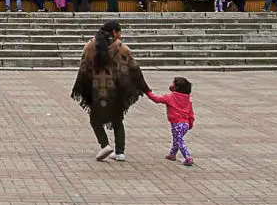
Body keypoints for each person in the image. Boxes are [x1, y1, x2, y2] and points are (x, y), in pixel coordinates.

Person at [72, 20, 150, 162]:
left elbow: (84, 69)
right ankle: (120, 152)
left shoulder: (89, 46)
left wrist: (83, 88)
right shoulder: (122, 48)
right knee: (118, 120)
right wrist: (145, 88)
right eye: (119, 32)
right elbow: (134, 69)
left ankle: (105, 144)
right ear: (114, 32)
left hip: (97, 90)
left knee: (95, 119)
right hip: (116, 91)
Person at [145, 76, 195, 166]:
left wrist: (148, 93)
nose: (171, 85)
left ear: (177, 87)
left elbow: (157, 99)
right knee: (177, 139)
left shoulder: (170, 97)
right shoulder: (188, 98)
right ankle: (172, 154)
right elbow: (191, 112)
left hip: (177, 124)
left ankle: (188, 157)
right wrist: (190, 123)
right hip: (186, 124)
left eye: (173, 83)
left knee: (179, 141)